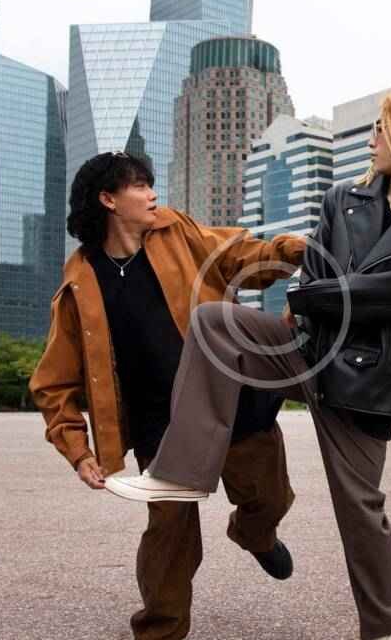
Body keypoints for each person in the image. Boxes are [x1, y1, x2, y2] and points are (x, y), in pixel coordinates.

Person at [104, 84, 391, 640]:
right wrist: (313, 297)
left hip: (364, 375)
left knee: (359, 507)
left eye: (382, 128)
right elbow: (319, 272)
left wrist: (312, 296)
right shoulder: (343, 199)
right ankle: (177, 475)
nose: (373, 139)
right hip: (301, 347)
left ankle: (387, 623)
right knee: (214, 322)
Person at [28, 151, 307, 640]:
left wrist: (291, 251)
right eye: (139, 186)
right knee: (170, 533)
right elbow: (54, 381)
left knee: (269, 497)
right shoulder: (79, 281)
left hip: (231, 396)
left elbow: (237, 254)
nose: (152, 194)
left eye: (150, 183)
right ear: (108, 199)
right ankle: (160, 630)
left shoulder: (176, 230)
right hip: (161, 423)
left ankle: (254, 533)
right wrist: (77, 450)